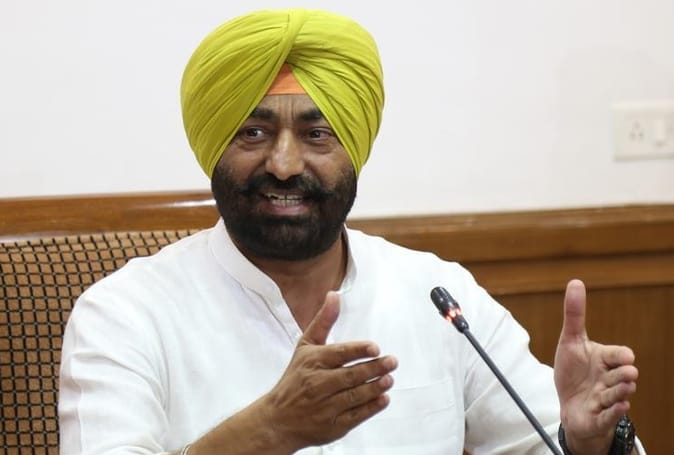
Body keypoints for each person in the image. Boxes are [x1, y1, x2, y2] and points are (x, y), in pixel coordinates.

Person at [58, 8, 644, 455]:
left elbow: (552, 438)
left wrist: (589, 443)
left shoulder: (436, 296)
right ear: (214, 146)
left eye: (317, 135)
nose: (284, 164)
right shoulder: (126, 314)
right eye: (253, 133)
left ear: (355, 149)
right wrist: (267, 431)